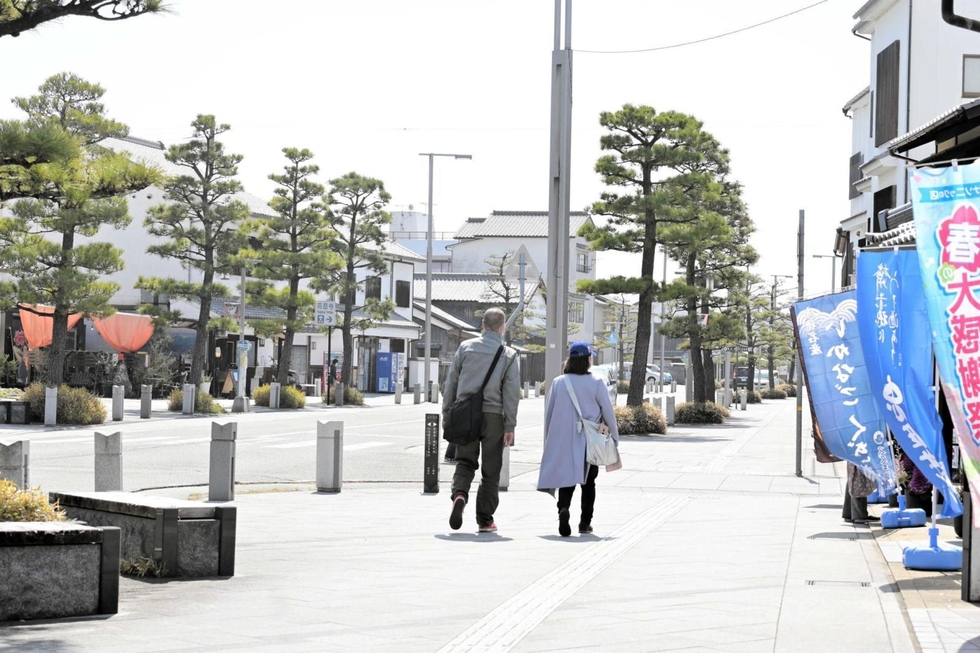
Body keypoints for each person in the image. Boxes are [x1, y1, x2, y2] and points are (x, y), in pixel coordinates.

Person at [443, 307, 521, 533]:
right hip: (494, 416)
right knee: (491, 469)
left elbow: (451, 383)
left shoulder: (465, 348)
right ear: (503, 326)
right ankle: (485, 519)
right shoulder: (508, 354)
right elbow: (511, 393)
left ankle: (459, 495)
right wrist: (510, 425)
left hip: (466, 413)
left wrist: (447, 413)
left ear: (483, 325)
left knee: (465, 461)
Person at [538, 341, 619, 537]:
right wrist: (614, 438)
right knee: (589, 482)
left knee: (567, 479)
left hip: (564, 440)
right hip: (591, 440)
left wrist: (549, 440)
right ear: (588, 359)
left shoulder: (559, 382)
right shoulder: (597, 382)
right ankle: (584, 522)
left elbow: (548, 414)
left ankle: (563, 509)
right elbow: (608, 412)